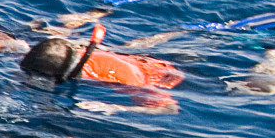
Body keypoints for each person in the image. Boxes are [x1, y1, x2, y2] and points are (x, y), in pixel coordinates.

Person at [19, 33, 183, 113]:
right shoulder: (66, 53)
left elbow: (170, 108)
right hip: (125, 57)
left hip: (165, 75)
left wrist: (116, 107)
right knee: (127, 48)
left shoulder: (125, 80)